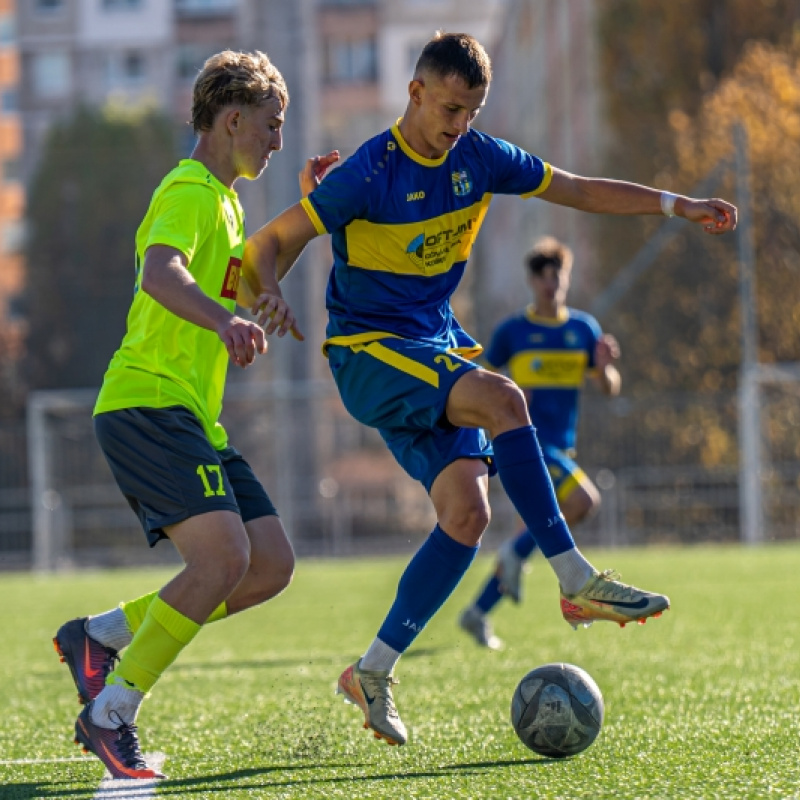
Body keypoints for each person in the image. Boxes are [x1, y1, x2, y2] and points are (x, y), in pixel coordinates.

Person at [242, 32, 737, 748]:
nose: (459, 125)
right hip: (370, 352)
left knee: (466, 516)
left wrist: (675, 203)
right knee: (505, 399)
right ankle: (573, 578)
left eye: (471, 111)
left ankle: (372, 670)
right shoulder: (367, 172)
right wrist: (265, 295)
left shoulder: (479, 158)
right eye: (448, 108)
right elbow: (267, 243)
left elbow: (576, 188)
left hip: (433, 348)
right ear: (414, 94)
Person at [52, 50, 338, 779]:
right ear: (233, 119)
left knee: (268, 563)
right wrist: (223, 321)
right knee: (222, 560)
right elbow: (160, 273)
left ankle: (102, 635)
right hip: (148, 403)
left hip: (190, 417)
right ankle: (111, 710)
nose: (278, 141)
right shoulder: (187, 188)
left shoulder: (227, 202)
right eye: (272, 127)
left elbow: (249, 289)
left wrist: (307, 218)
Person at [459, 236, 622, 650]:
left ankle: (477, 612)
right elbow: (481, 381)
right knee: (583, 503)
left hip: (562, 450)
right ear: (532, 281)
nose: (553, 285)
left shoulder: (583, 329)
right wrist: (510, 390)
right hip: (527, 446)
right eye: (544, 277)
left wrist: (604, 369)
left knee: (531, 533)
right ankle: (517, 568)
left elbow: (609, 388)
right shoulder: (514, 331)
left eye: (559, 276)